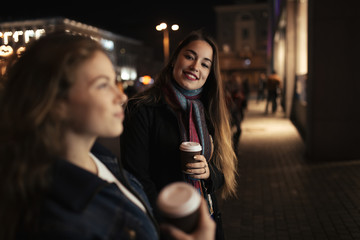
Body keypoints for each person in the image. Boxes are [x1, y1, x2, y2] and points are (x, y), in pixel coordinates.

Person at [0, 32, 215, 240]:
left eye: (115, 82)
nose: (121, 96)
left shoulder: (102, 159)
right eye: (103, 84)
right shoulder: (61, 221)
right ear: (56, 103)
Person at [120, 29, 238, 240]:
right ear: (175, 59)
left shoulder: (209, 111)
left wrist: (208, 172)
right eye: (189, 56)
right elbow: (136, 177)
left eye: (205, 64)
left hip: (207, 219)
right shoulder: (142, 109)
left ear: (210, 74)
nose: (195, 66)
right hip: (165, 224)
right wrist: (169, 219)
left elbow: (223, 170)